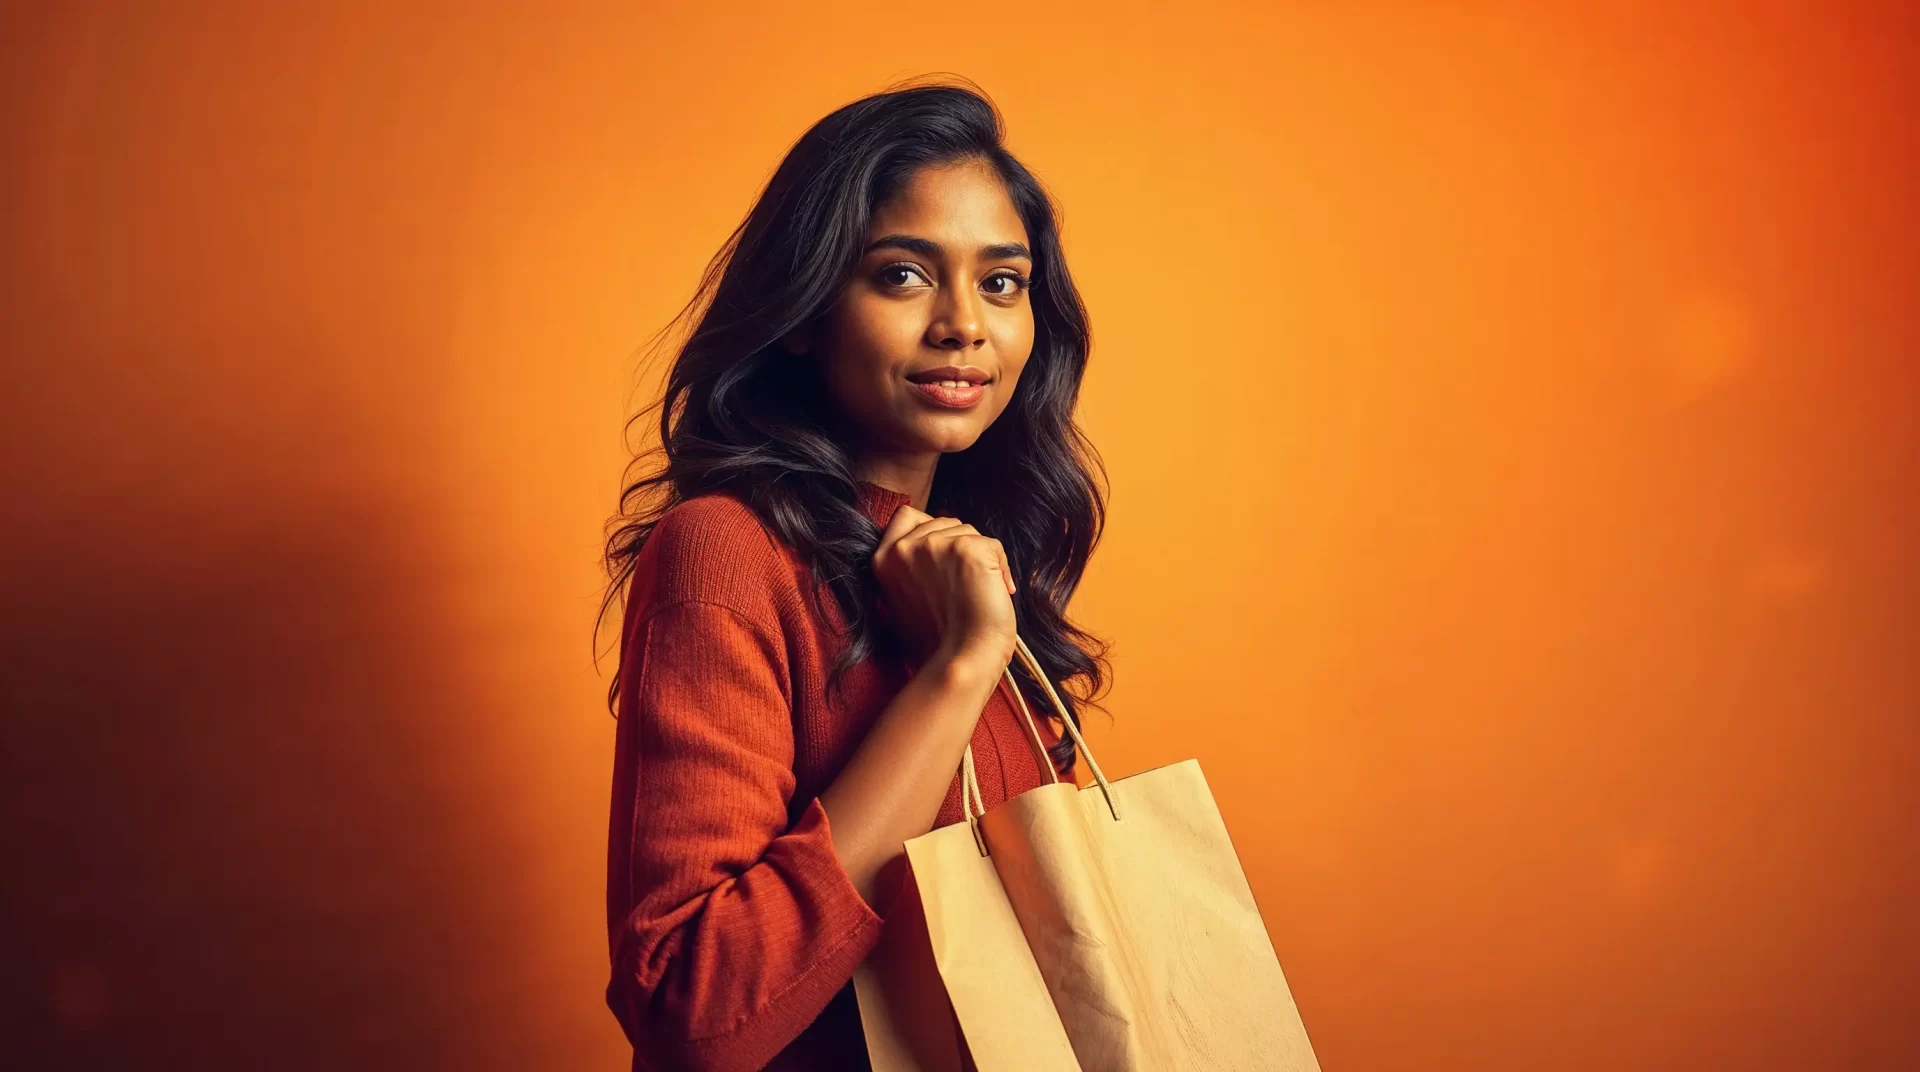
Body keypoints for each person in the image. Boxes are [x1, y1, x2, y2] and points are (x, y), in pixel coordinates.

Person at [598, 79, 1111, 1071]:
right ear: (805, 309)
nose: (964, 324)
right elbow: (696, 1015)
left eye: (1002, 282)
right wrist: (956, 672)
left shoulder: (976, 565)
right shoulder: (728, 553)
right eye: (903, 275)